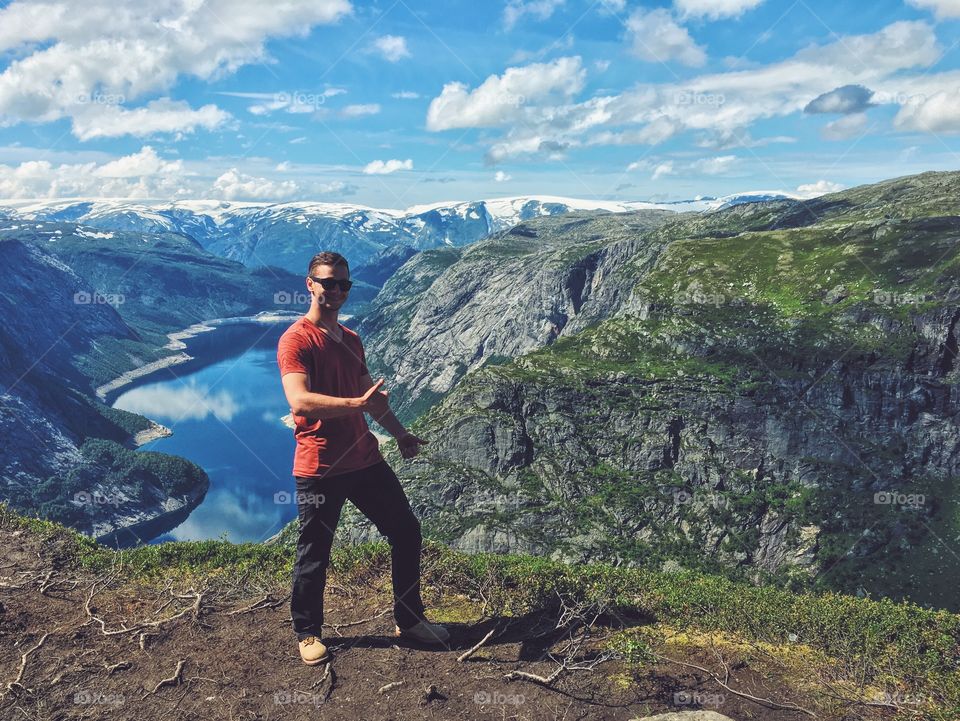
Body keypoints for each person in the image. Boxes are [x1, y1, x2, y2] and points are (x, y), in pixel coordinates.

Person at [277, 250, 450, 666]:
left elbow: (373, 401)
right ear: (310, 284)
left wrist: (402, 434)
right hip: (321, 466)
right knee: (315, 550)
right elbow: (299, 401)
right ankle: (308, 632)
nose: (335, 290)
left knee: (405, 531)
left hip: (365, 460)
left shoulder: (352, 339)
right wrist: (356, 403)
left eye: (343, 284)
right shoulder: (296, 339)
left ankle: (409, 621)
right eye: (327, 282)